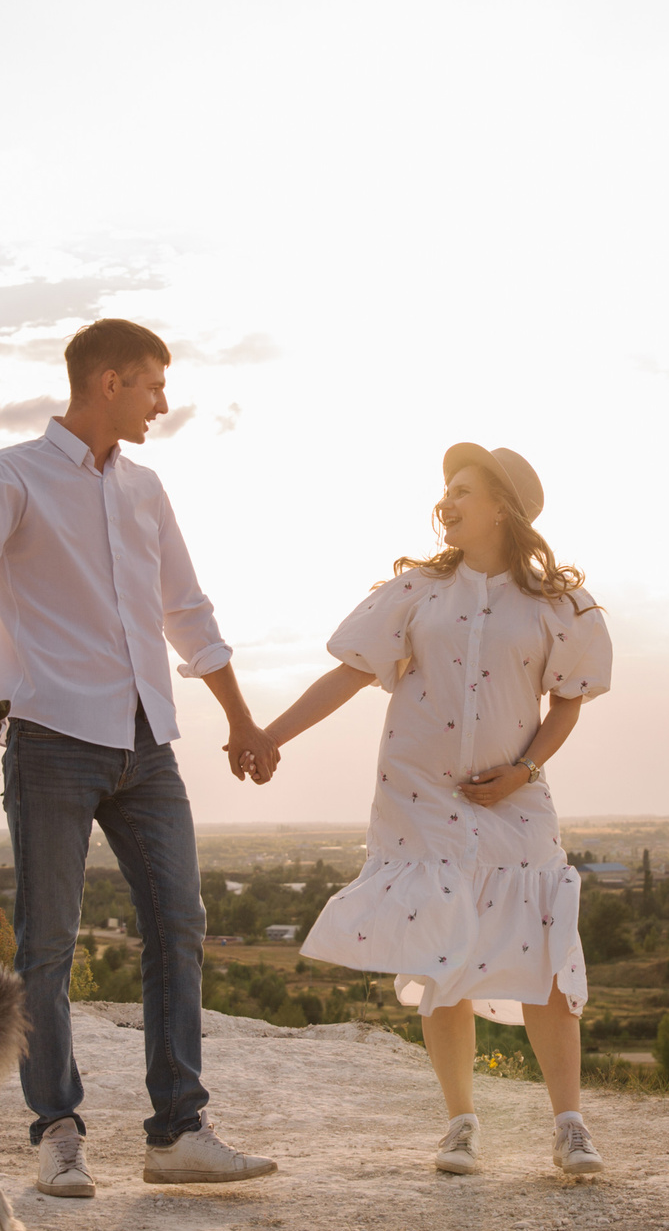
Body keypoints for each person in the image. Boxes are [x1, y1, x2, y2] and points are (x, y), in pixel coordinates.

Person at [0, 318, 279, 1197]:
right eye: (154, 385)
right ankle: (57, 1132)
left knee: (179, 923)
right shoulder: (8, 475)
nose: (163, 402)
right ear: (110, 382)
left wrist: (240, 719)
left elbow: (187, 611)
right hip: (52, 736)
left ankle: (178, 1132)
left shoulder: (146, 489)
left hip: (146, 743)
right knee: (46, 945)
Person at [260, 444, 612, 1176]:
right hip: (419, 797)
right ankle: (460, 1124)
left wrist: (523, 771)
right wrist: (270, 736)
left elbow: (567, 701)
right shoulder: (417, 591)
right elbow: (349, 675)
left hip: (515, 798)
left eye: (462, 490)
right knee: (440, 954)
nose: (445, 502)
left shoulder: (557, 606)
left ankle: (570, 1125)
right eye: (445, 489)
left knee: (546, 949)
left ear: (502, 508)